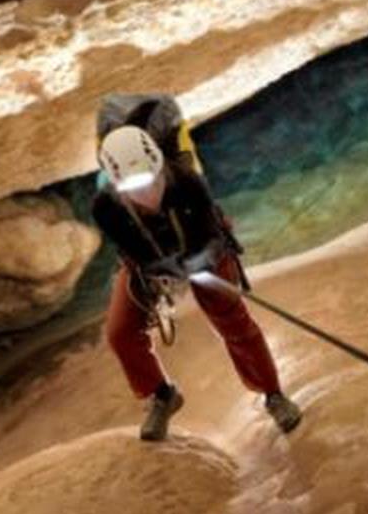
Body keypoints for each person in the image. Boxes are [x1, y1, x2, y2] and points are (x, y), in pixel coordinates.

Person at [89, 117, 303, 442]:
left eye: (151, 179)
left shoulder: (187, 182)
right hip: (152, 264)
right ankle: (162, 395)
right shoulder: (106, 207)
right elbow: (135, 251)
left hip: (203, 252)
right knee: (120, 332)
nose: (146, 192)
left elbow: (211, 234)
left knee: (233, 321)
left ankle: (273, 394)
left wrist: (198, 262)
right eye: (134, 187)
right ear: (117, 185)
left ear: (160, 167)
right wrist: (166, 269)